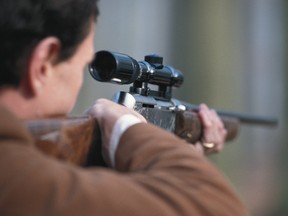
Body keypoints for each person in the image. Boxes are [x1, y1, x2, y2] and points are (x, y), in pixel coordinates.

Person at [0, 0, 249, 215]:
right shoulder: (16, 179)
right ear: (43, 65)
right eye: (82, 65)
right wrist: (128, 129)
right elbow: (217, 206)